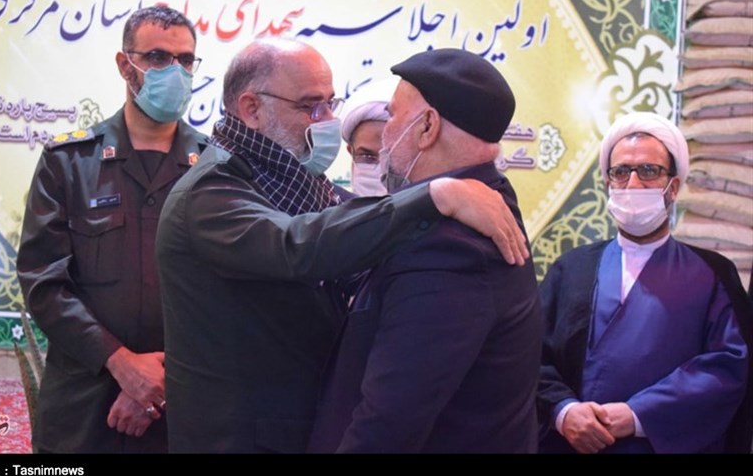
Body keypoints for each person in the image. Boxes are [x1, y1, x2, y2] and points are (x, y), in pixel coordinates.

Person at [156, 39, 530, 453]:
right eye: (310, 107)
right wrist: (432, 196)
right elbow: (296, 245)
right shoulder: (209, 193)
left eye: (330, 104)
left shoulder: (303, 184)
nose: (329, 121)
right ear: (251, 109)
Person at [308, 48, 542, 453]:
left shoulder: (449, 246)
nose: (385, 134)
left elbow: (390, 420)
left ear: (427, 127)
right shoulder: (483, 202)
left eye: (393, 116)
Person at [16, 5, 209, 453]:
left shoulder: (215, 169)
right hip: (84, 407)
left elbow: (224, 295)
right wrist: (122, 364)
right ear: (126, 65)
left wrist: (157, 381)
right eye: (158, 57)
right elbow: (44, 283)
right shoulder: (69, 163)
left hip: (181, 408)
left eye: (185, 60)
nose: (175, 71)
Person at [538, 112, 752, 454]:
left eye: (649, 171)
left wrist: (639, 415)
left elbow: (727, 367)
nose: (633, 184)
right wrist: (563, 411)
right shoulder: (571, 268)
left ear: (673, 187)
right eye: (621, 172)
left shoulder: (712, 274)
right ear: (607, 183)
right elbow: (530, 356)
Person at [340, 78, 398, 196]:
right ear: (351, 151)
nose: (380, 169)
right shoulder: (331, 205)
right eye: (367, 156)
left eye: (391, 158)